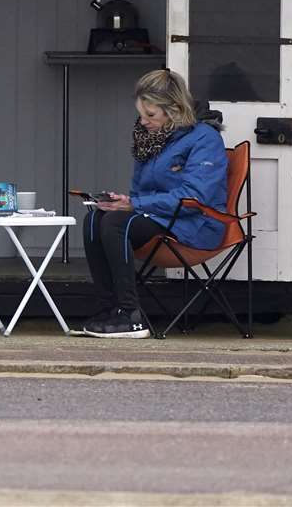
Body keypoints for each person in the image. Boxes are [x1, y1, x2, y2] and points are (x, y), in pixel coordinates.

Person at [78, 68, 227, 339]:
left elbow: (195, 197)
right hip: (160, 217)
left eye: (151, 115)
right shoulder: (151, 140)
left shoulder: (205, 138)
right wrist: (123, 201)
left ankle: (131, 315)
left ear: (174, 109)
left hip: (195, 223)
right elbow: (139, 191)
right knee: (95, 218)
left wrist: (134, 204)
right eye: (141, 114)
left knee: (114, 223)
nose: (144, 121)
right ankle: (109, 309)